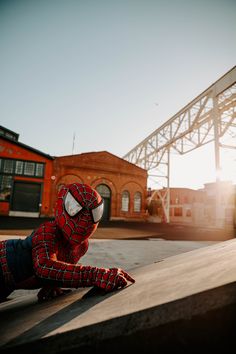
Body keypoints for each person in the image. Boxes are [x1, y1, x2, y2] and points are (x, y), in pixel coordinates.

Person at [0, 183, 135, 303]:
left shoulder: (82, 246)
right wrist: (96, 274)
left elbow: (59, 269)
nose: (84, 220)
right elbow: (44, 267)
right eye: (75, 209)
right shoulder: (48, 231)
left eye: (95, 213)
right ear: (61, 205)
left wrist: (52, 286)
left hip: (8, 284)